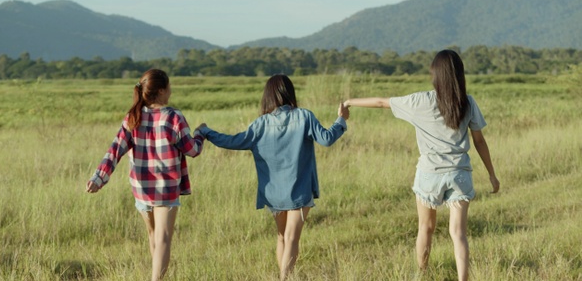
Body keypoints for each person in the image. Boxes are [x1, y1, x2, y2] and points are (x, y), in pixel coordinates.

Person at [344, 50, 499, 281]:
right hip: (460, 174)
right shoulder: (468, 102)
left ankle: (421, 275)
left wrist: (348, 102)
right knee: (459, 234)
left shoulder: (419, 101)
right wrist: (492, 175)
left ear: (435, 74)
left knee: (425, 228)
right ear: (459, 74)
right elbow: (479, 141)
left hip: (429, 175)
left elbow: (381, 102)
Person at [197, 74, 349, 281]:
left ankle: (283, 276)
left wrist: (207, 132)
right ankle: (285, 278)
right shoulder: (305, 116)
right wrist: (341, 119)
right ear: (290, 92)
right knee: (292, 238)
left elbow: (232, 141)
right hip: (299, 190)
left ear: (268, 96)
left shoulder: (261, 124)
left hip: (273, 193)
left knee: (281, 237)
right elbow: (327, 139)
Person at [86, 69, 205, 281]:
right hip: (166, 188)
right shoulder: (174, 117)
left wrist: (98, 178)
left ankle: (156, 275)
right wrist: (200, 134)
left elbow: (115, 150)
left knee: (153, 236)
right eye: (169, 87)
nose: (171, 91)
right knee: (163, 238)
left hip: (141, 188)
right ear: (161, 90)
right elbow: (192, 150)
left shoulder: (133, 116)